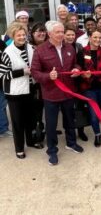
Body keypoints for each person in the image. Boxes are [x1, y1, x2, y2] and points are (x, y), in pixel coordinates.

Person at [31, 21, 84, 165]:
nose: (61, 34)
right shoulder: (40, 50)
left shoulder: (70, 48)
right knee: (51, 124)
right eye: (58, 32)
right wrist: (48, 76)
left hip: (68, 93)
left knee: (69, 119)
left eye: (62, 31)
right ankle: (52, 151)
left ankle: (71, 143)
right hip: (51, 95)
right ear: (49, 34)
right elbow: (35, 72)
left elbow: (76, 64)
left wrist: (77, 69)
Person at [0, 22, 44, 159]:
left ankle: (31, 141)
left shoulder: (31, 48)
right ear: (13, 36)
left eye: (23, 34)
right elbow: (2, 74)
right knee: (18, 122)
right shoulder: (7, 52)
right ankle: (19, 148)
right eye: (18, 35)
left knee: (31, 119)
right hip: (15, 92)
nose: (21, 37)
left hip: (30, 89)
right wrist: (22, 72)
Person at [75, 30, 101, 147]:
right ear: (90, 38)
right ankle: (97, 134)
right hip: (89, 87)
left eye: (100, 38)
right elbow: (78, 66)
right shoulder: (82, 52)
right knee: (93, 113)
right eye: (95, 37)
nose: (98, 40)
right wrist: (82, 74)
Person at [63, 24, 90, 142]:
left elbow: (83, 62)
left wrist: (81, 70)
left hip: (78, 82)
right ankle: (70, 132)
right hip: (65, 82)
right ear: (63, 35)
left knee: (80, 107)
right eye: (68, 34)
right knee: (67, 109)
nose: (70, 37)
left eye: (72, 34)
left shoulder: (79, 46)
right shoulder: (60, 47)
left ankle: (81, 131)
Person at [30, 23, 48, 142]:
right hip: (35, 84)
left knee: (49, 108)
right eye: (38, 31)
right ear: (32, 34)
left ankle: (48, 128)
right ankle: (38, 131)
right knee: (36, 109)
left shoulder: (48, 46)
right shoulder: (29, 47)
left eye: (43, 31)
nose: (41, 34)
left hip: (48, 82)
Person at [0, 38, 13, 138]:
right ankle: (3, 129)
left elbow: (8, 57)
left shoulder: (1, 43)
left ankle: (3, 128)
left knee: (2, 105)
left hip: (2, 80)